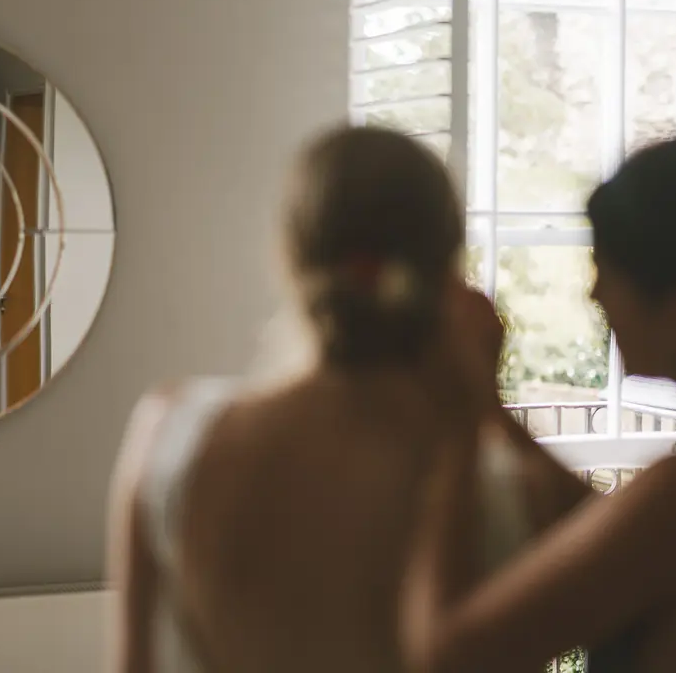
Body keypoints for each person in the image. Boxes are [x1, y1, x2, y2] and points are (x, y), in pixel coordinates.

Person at [107, 125, 591, 673]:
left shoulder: (171, 435)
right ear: (446, 268)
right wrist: (490, 409)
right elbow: (623, 565)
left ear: (289, 254)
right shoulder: (506, 487)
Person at [403, 126, 676, 673]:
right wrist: (494, 409)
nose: (594, 294)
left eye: (611, 274)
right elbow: (596, 533)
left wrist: (457, 426)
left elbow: (446, 655)